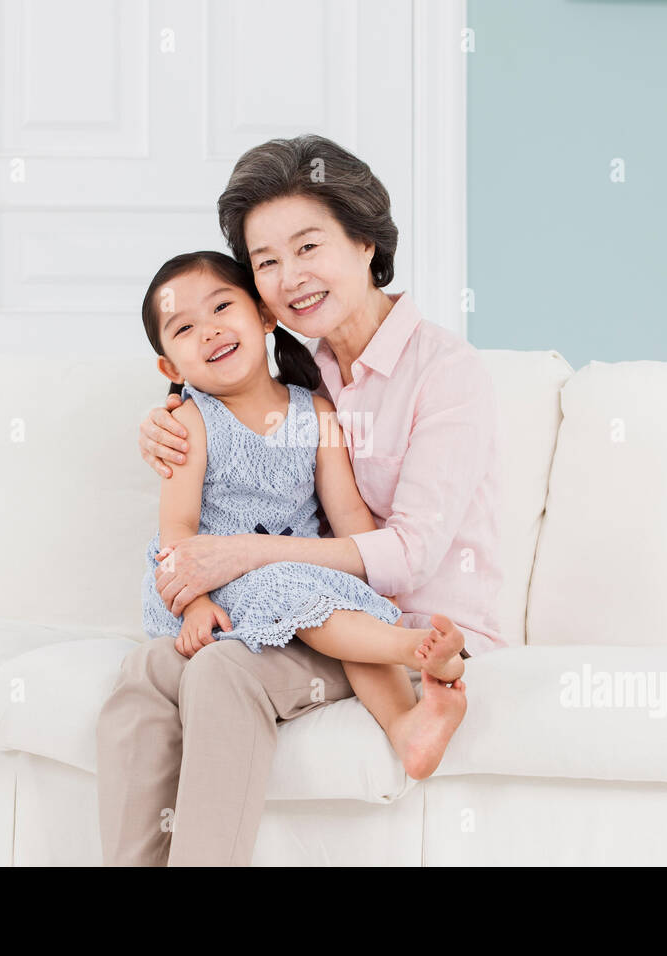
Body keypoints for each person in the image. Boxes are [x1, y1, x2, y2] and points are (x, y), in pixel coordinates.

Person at [97, 134, 502, 867]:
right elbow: (216, 395)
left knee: (220, 673)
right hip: (273, 616)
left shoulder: (446, 372)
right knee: (144, 675)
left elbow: (405, 555)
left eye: (308, 246)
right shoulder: (301, 367)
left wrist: (244, 554)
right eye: (267, 261)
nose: (290, 277)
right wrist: (167, 415)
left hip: (399, 631)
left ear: (366, 242)